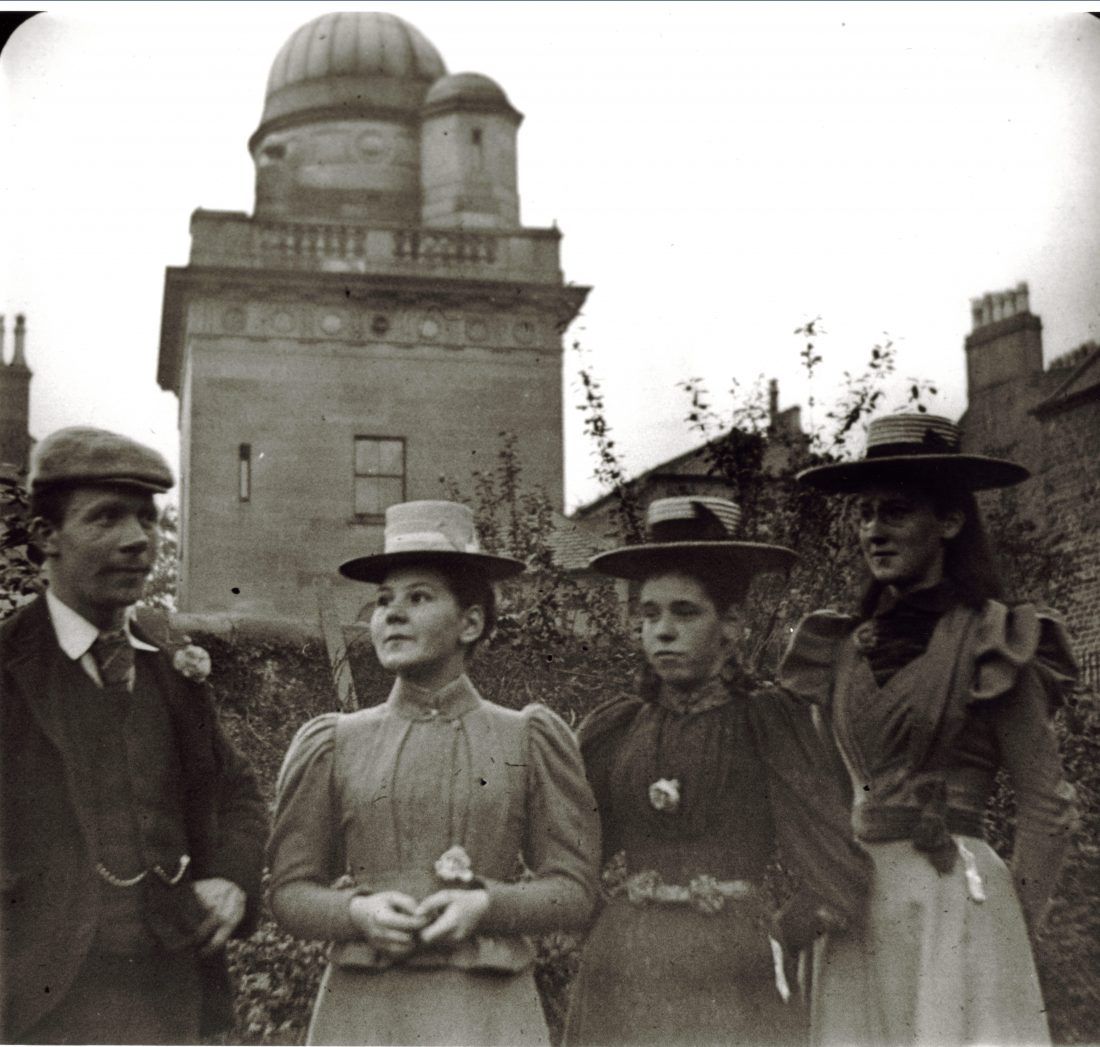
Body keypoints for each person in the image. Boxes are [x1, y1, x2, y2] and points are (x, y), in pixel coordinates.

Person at [779, 412, 1079, 1046]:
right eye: (865, 514)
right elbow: (829, 798)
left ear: (949, 521)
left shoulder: (996, 641)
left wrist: (1008, 926)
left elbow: (1047, 806)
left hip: (956, 901)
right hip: (858, 904)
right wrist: (824, 883)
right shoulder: (839, 647)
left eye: (896, 512)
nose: (874, 532)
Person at [267, 500, 600, 1046]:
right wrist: (356, 912)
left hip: (485, 1013)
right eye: (382, 601)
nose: (392, 615)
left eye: (418, 597)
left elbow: (574, 889)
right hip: (366, 1014)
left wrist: (487, 903)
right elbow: (290, 892)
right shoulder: (335, 741)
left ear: (470, 622)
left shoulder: (525, 737)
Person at [564, 496, 872, 1047]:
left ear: (730, 625)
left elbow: (835, 866)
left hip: (735, 969)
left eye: (685, 612)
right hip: (625, 966)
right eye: (649, 614)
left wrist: (776, 933)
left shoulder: (768, 724)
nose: (661, 631)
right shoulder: (618, 729)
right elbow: (575, 858)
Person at [0, 427, 267, 1044]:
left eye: (147, 520)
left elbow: (237, 793)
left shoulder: (167, 663)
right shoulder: (9, 665)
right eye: (106, 519)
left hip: (168, 999)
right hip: (35, 1005)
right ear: (46, 538)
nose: (137, 541)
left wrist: (230, 876)